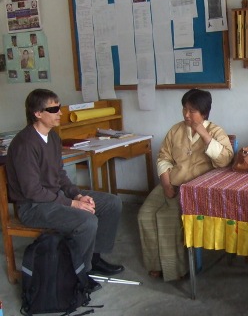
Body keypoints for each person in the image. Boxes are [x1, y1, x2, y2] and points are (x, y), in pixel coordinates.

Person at [6, 89, 125, 293]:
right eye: (53, 109)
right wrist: (73, 204)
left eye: (59, 107)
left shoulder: (52, 137)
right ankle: (80, 273)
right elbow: (32, 190)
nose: (60, 112)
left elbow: (60, 175)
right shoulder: (24, 144)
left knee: (111, 203)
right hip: (33, 206)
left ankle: (94, 257)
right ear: (37, 113)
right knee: (87, 220)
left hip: (55, 198)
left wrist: (77, 195)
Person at [138, 89, 234, 281]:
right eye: (184, 109)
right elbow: (163, 157)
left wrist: (204, 134)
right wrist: (165, 183)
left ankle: (176, 270)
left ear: (204, 113)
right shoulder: (176, 130)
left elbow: (225, 160)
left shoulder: (215, 131)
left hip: (193, 190)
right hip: (170, 182)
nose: (186, 114)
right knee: (145, 214)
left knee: (167, 216)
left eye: (192, 111)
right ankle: (155, 264)